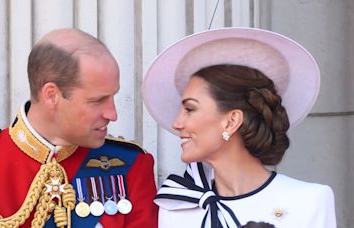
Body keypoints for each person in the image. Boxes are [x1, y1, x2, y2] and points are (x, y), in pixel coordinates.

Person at [0, 28, 158, 227]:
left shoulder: (130, 165)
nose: (112, 114)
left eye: (114, 96)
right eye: (98, 100)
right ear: (51, 95)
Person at [143, 28, 336, 227]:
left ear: (231, 121)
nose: (177, 123)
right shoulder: (176, 208)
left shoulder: (308, 202)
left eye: (190, 109)